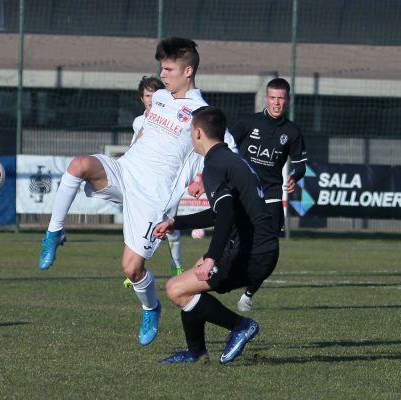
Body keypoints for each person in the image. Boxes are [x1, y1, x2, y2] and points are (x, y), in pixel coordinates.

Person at [38, 37, 210, 347]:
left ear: (189, 70)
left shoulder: (202, 112)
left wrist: (204, 179)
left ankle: (150, 307)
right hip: (126, 171)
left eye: (169, 69)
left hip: (153, 197)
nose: (163, 75)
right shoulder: (159, 97)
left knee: (131, 267)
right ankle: (53, 233)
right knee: (79, 165)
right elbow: (146, 132)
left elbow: (219, 150)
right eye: (162, 68)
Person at [152, 106, 279, 364]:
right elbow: (219, 213)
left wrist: (212, 257)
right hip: (260, 247)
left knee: (175, 289)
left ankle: (240, 326)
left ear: (198, 133)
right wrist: (176, 222)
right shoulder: (231, 159)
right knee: (186, 288)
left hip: (250, 251)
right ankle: (196, 353)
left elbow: (227, 213)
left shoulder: (214, 165)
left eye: (190, 133)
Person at [229, 77, 307, 312]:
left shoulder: (292, 132)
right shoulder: (248, 122)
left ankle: (249, 294)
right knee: (234, 241)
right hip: (243, 191)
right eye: (273, 97)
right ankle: (223, 272)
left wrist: (295, 177)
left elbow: (301, 164)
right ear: (266, 98)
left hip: (271, 194)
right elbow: (224, 146)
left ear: (288, 100)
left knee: (270, 247)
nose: (276, 103)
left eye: (281, 98)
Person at [123, 75, 184, 289]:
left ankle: (176, 264)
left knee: (169, 224)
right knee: (139, 225)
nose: (150, 99)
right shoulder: (139, 122)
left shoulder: (171, 118)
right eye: (147, 95)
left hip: (166, 183)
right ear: (142, 98)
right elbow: (135, 148)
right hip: (142, 184)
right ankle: (135, 267)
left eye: (154, 95)